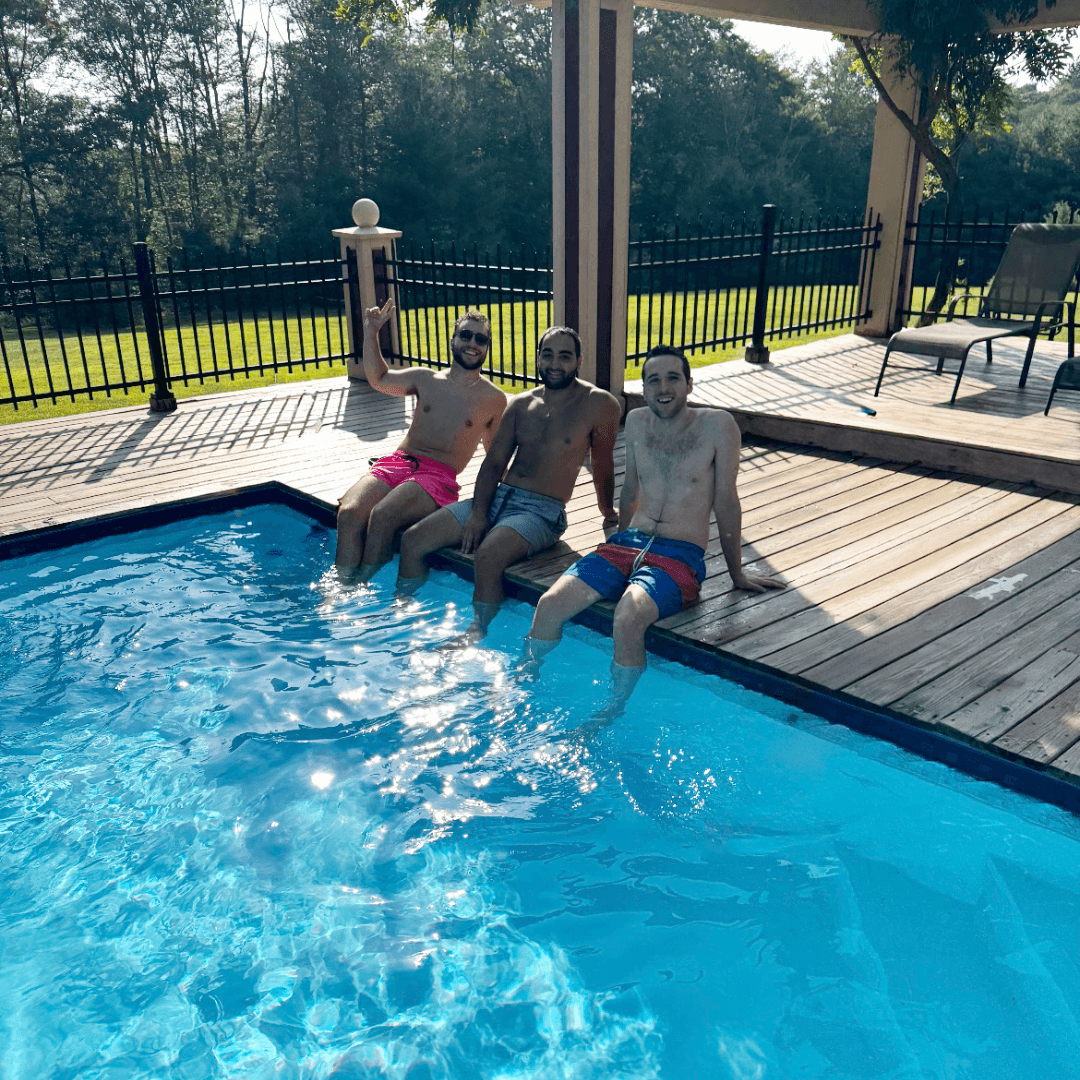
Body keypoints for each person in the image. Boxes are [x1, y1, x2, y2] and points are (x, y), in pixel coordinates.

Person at [525, 343, 785, 712]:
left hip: (679, 555)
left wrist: (737, 574)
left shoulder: (717, 426)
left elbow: (726, 501)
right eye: (653, 381)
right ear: (644, 388)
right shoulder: (635, 421)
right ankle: (528, 687)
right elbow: (631, 487)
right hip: (627, 545)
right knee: (549, 604)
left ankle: (613, 712)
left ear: (689, 384)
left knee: (627, 617)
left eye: (673, 379)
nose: (663, 388)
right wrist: (615, 537)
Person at [397, 326, 622, 638]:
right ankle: (403, 613)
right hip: (499, 498)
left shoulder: (600, 405)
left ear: (579, 360)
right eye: (548, 355)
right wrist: (478, 513)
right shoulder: (521, 404)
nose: (555, 363)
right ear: (538, 358)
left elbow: (602, 463)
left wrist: (607, 510)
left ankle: (477, 631)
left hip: (541, 511)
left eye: (565, 356)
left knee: (487, 556)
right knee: (412, 540)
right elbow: (492, 465)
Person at [334, 300, 506, 582]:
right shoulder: (426, 379)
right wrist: (371, 331)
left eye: (481, 338)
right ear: (453, 340)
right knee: (350, 513)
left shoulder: (493, 399)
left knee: (383, 516)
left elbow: (495, 455)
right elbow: (379, 378)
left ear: (487, 347)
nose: (472, 343)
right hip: (398, 463)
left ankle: (361, 593)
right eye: (465, 335)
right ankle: (341, 586)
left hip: (438, 477)